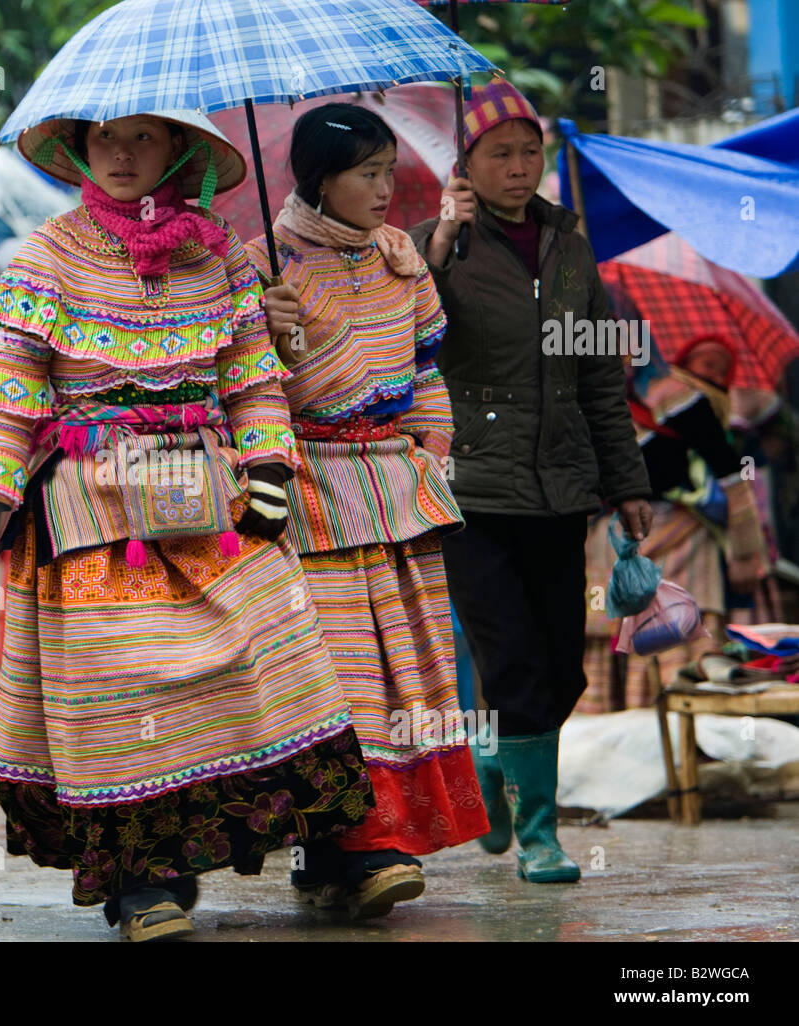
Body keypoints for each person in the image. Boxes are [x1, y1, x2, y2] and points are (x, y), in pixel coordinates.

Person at [0, 109, 372, 941]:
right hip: (96, 506)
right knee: (131, 689)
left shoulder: (218, 254)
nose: (119, 153)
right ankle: (145, 883)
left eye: (141, 138)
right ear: (78, 147)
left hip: (212, 499)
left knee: (279, 647)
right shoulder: (45, 256)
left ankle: (336, 851)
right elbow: (8, 386)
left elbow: (252, 377)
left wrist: (269, 467)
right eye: (103, 138)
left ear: (179, 150)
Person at [408, 80, 652, 883]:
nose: (519, 168)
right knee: (511, 661)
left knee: (564, 666)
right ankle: (540, 835)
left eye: (528, 152)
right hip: (470, 490)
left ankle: (494, 763)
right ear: (465, 163)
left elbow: (599, 381)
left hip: (561, 491)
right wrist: (441, 244)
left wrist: (629, 485)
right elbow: (412, 347)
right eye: (499, 154)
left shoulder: (572, 248)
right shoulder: (432, 245)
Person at [253, 104, 489, 917]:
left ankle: (357, 852)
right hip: (309, 494)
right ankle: (349, 846)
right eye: (369, 174)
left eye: (391, 171)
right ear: (320, 178)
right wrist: (262, 332)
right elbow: (240, 392)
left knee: (406, 677)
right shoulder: (260, 267)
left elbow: (427, 372)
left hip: (395, 490)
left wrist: (430, 449)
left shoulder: (402, 262)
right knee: (337, 681)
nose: (387, 190)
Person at [580, 336, 765, 710]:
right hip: (621, 538)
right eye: (704, 362)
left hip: (669, 538)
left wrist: (746, 550)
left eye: (719, 367)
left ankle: (666, 727)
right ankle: (638, 726)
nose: (711, 372)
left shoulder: (677, 398)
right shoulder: (601, 402)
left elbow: (728, 469)